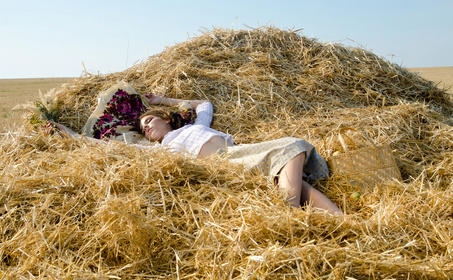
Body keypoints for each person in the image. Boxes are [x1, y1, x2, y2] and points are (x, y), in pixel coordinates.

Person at [55, 94, 343, 216]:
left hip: (238, 155)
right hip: (224, 166)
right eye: (142, 129)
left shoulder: (195, 125)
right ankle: (289, 217)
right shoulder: (161, 150)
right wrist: (68, 133)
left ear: (165, 118)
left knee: (287, 166)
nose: (146, 129)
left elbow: (204, 103)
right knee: (292, 146)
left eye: (149, 121)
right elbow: (111, 146)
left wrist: (161, 100)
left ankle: (338, 217)